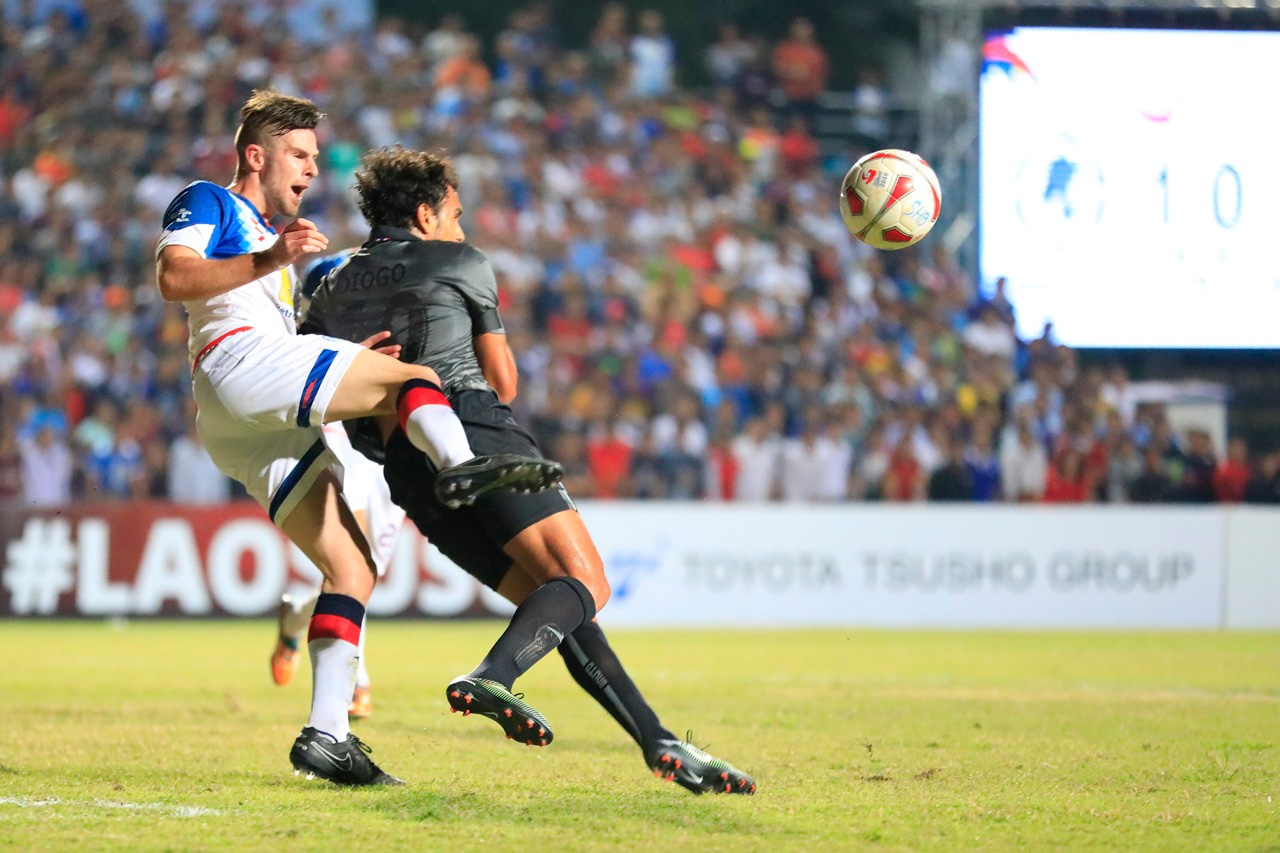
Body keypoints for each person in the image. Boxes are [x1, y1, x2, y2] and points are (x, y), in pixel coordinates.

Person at [303, 146, 756, 796]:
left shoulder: (331, 285)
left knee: (552, 605)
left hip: (406, 466)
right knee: (586, 585)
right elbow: (503, 378)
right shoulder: (458, 261)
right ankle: (493, 673)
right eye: (455, 214)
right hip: (471, 428)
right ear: (427, 214)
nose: (461, 227)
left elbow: (313, 382)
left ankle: (660, 740)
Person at [155, 92, 563, 787]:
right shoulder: (211, 202)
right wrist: (270, 259)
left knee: (352, 570)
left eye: (315, 156)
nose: (313, 168)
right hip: (235, 363)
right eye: (301, 154)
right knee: (415, 379)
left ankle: (327, 735)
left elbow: (273, 327)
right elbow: (173, 276)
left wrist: (338, 350)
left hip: (246, 414)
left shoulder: (266, 243)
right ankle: (464, 468)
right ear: (256, 155)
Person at [269, 252, 407, 722]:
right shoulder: (314, 339)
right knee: (359, 561)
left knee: (366, 568)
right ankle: (356, 683)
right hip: (341, 437)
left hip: (387, 450)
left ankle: (295, 615)